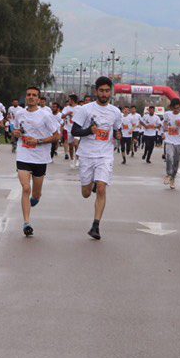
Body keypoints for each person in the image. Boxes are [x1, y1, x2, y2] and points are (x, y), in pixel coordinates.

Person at [69, 76, 124, 240]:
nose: (104, 94)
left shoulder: (115, 112)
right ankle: (90, 184)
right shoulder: (85, 110)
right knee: (86, 193)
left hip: (105, 155)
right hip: (87, 155)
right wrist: (88, 131)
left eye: (107, 91)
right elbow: (74, 131)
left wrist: (118, 134)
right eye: (101, 90)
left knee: (101, 188)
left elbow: (116, 130)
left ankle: (96, 226)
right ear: (96, 91)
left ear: (110, 92)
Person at [14, 86, 63, 237]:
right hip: (23, 155)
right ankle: (26, 223)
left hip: (40, 157)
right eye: (28, 95)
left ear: (38, 99)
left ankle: (35, 198)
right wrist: (15, 134)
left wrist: (39, 141)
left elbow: (57, 136)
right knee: (25, 188)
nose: (31, 97)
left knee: (35, 193)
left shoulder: (45, 116)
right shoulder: (19, 113)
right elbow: (16, 131)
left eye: (34, 95)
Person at [161, 98, 180, 188]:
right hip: (169, 141)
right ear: (171, 107)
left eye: (178, 108)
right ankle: (168, 175)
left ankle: (173, 179)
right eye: (175, 108)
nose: (176, 110)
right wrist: (165, 129)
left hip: (179, 142)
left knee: (176, 162)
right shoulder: (167, 114)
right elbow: (164, 122)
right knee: (169, 157)